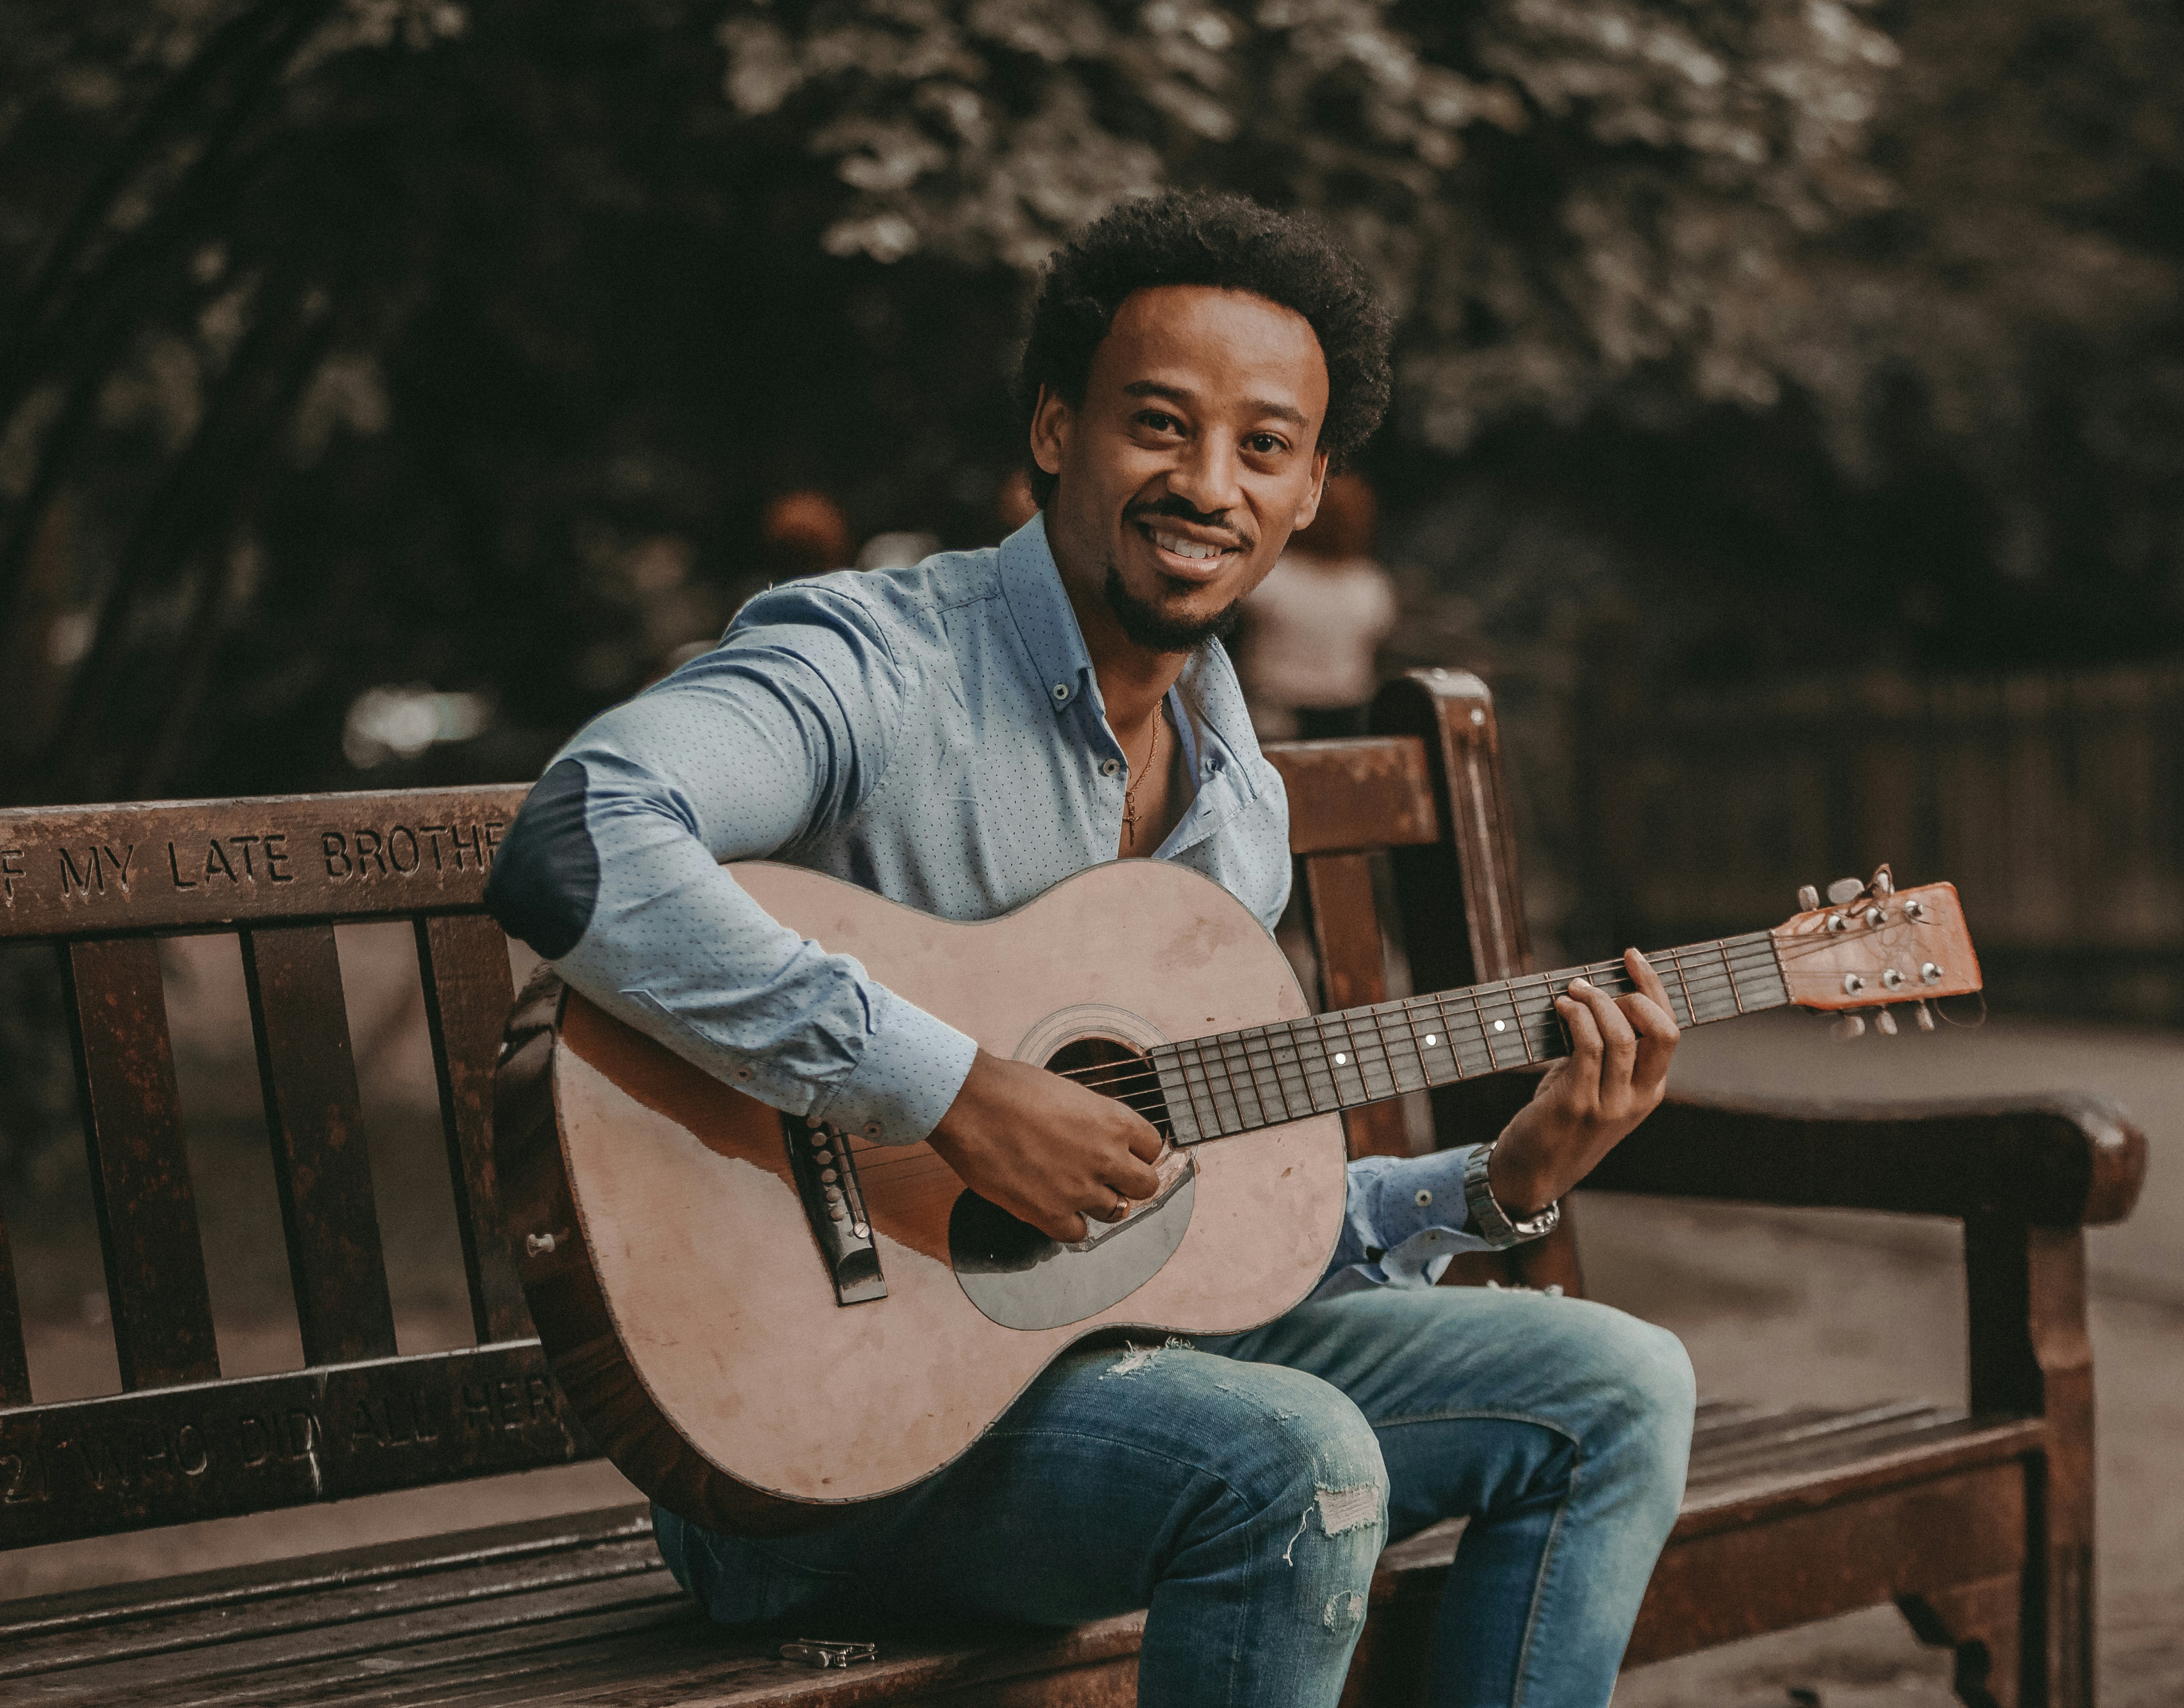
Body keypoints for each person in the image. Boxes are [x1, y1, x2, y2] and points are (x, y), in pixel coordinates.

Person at [486, 193, 1692, 1708]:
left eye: (1263, 447)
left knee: (1621, 1384)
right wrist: (944, 1089)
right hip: (807, 1448)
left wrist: (1502, 1182)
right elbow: (578, 836)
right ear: (1057, 429)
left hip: (1094, 1385)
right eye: (1160, 425)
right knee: (1292, 1463)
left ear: (1312, 490)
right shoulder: (877, 664)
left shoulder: (1236, 807)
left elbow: (1194, 1228)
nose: (1206, 484)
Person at [1237, 471, 1398, 740]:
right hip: (1274, 714)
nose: (1340, 528)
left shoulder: (1370, 585)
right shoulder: (1273, 575)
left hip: (1343, 715)